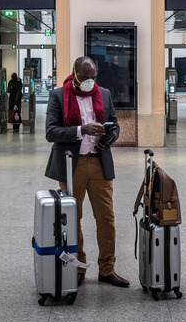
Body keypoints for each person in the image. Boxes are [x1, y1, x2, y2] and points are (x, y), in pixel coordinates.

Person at [44, 56, 129, 288]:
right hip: (73, 165)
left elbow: (116, 125)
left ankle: (107, 269)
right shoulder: (59, 95)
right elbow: (51, 132)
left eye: (93, 77)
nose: (90, 82)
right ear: (75, 74)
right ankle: (79, 267)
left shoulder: (105, 94)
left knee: (106, 218)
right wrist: (81, 130)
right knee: (73, 218)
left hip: (99, 163)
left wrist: (109, 134)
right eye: (85, 78)